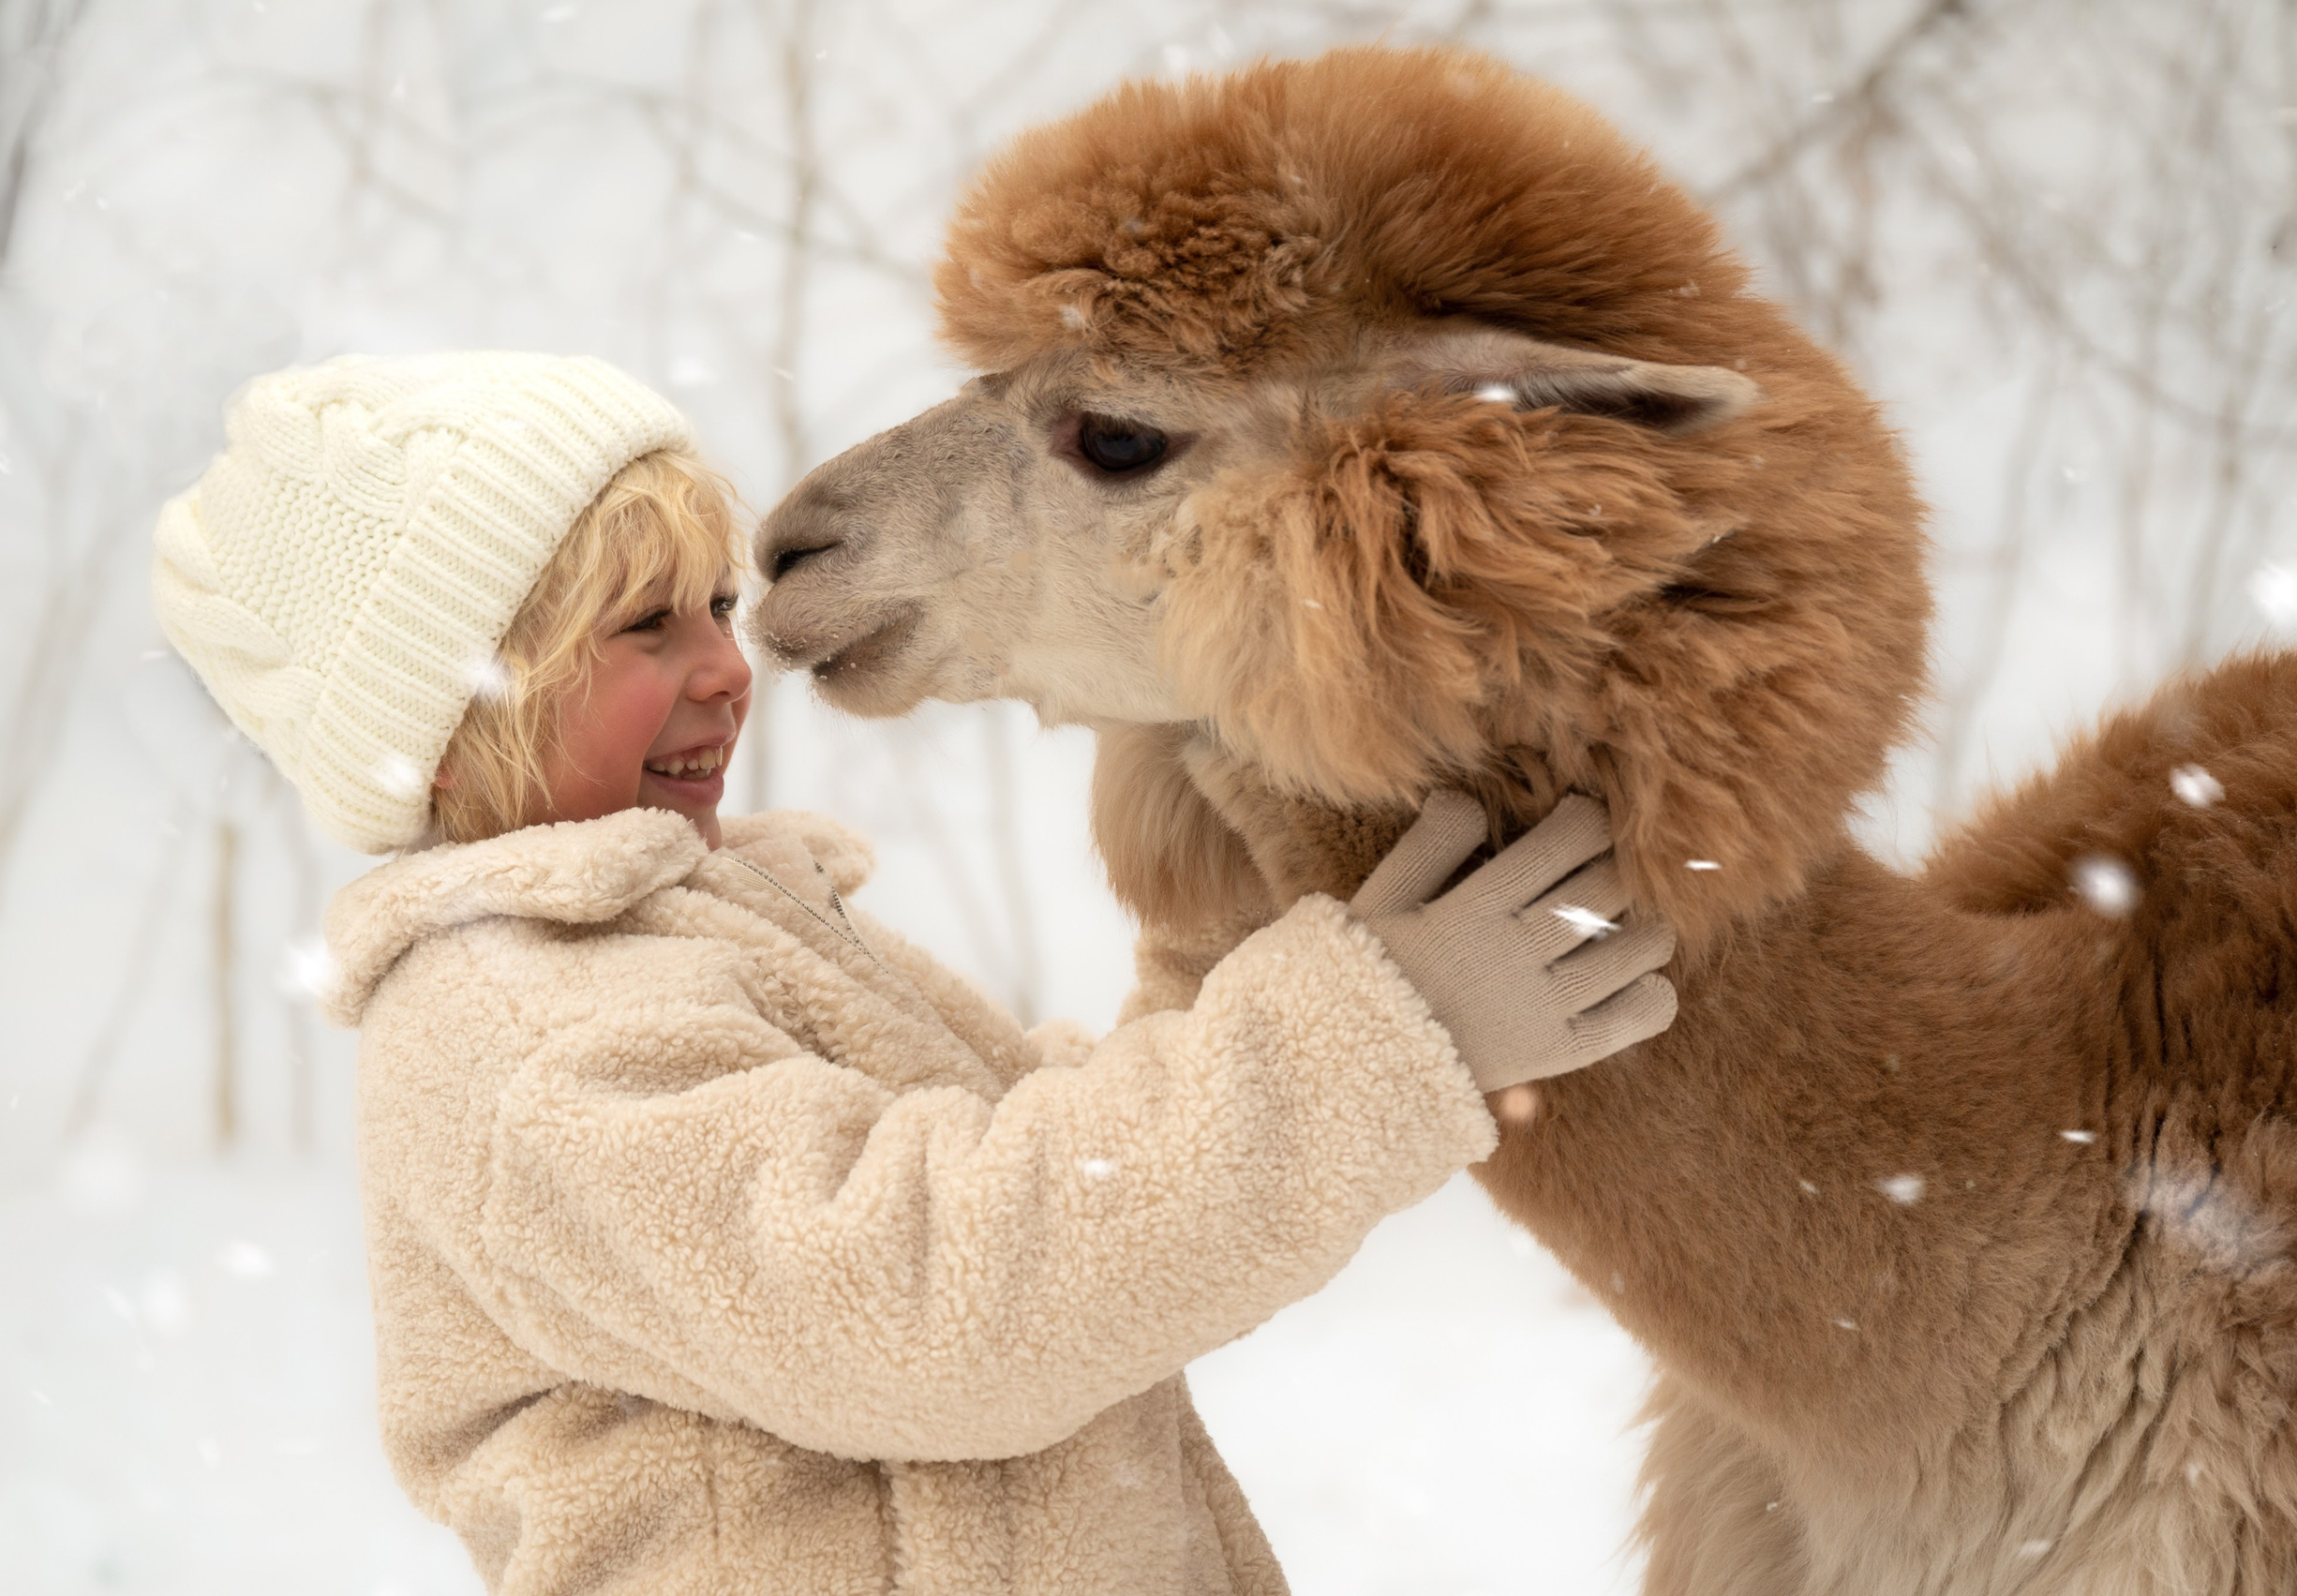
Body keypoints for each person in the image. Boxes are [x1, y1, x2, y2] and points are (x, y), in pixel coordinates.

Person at [152, 351, 1677, 1595]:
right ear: (456, 713)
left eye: (718, 610)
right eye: (644, 628)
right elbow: (942, 1308)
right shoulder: (520, 1035)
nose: (725, 665)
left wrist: (1234, 941)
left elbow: (1063, 1162)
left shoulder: (718, 936)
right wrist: (1378, 1031)